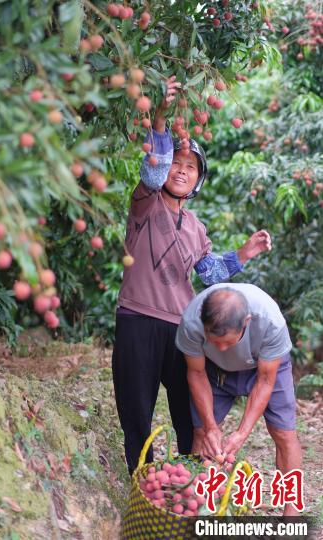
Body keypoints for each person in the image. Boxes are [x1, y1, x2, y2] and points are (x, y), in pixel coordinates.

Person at [112, 76, 272, 475]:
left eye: (190, 167)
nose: (181, 171)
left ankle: (185, 484)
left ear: (197, 180)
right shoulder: (145, 202)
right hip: (137, 321)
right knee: (137, 414)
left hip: (182, 331)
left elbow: (209, 274)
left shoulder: (197, 226)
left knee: (190, 417)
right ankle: (142, 486)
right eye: (177, 164)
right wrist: (162, 118)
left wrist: (244, 253)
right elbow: (154, 169)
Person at [175, 283, 303, 516]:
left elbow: (265, 380)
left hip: (265, 366)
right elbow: (196, 372)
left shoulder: (270, 321)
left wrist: (242, 433)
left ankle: (291, 515)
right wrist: (211, 426)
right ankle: (195, 509)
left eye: (228, 342)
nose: (223, 348)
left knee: (284, 434)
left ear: (247, 321)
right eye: (215, 341)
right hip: (212, 370)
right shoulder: (191, 322)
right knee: (202, 433)